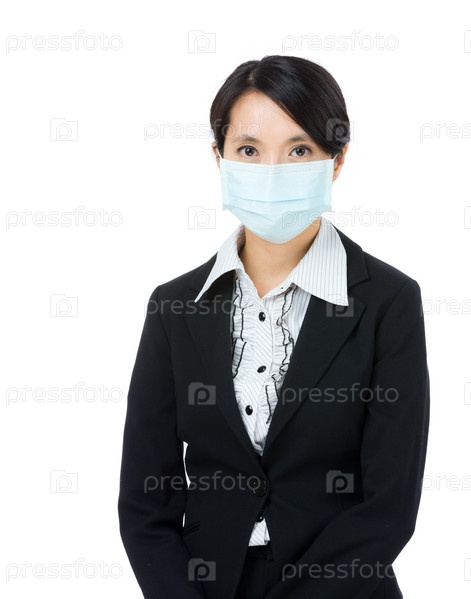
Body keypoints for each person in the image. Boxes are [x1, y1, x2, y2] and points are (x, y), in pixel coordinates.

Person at [118, 55, 430, 599]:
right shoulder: (174, 307)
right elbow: (147, 503)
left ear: (337, 160)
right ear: (218, 157)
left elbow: (390, 504)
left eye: (299, 150)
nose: (272, 171)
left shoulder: (389, 301)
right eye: (249, 150)